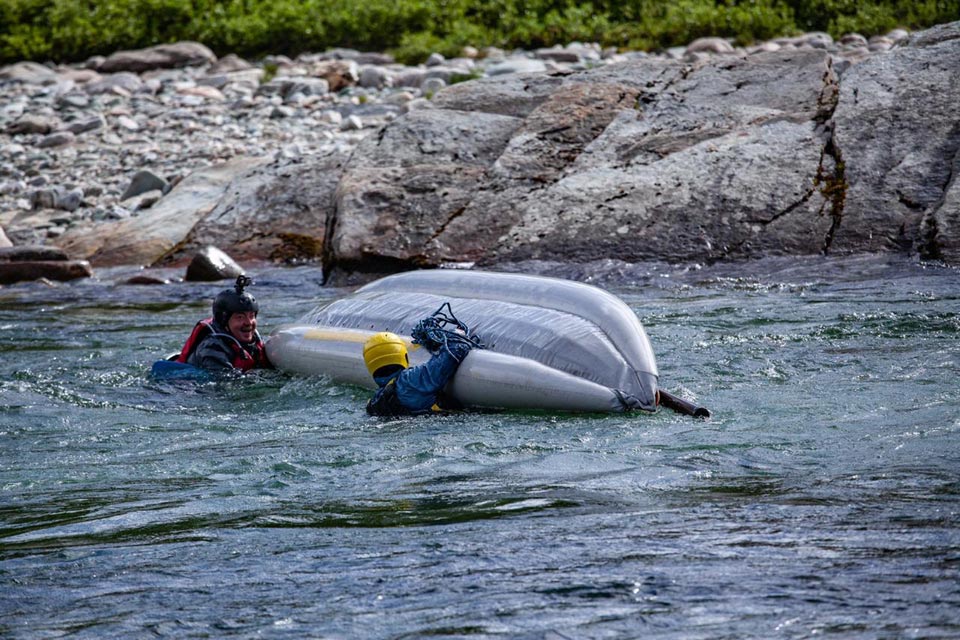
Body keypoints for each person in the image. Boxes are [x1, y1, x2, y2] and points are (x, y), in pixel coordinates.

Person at [363, 329, 474, 416]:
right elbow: (448, 358)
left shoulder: (375, 401)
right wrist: (457, 334)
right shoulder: (409, 381)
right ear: (403, 355)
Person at [176, 275, 272, 373]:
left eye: (251, 316)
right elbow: (223, 383)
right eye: (240, 317)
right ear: (223, 320)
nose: (248, 323)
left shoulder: (255, 342)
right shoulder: (212, 348)